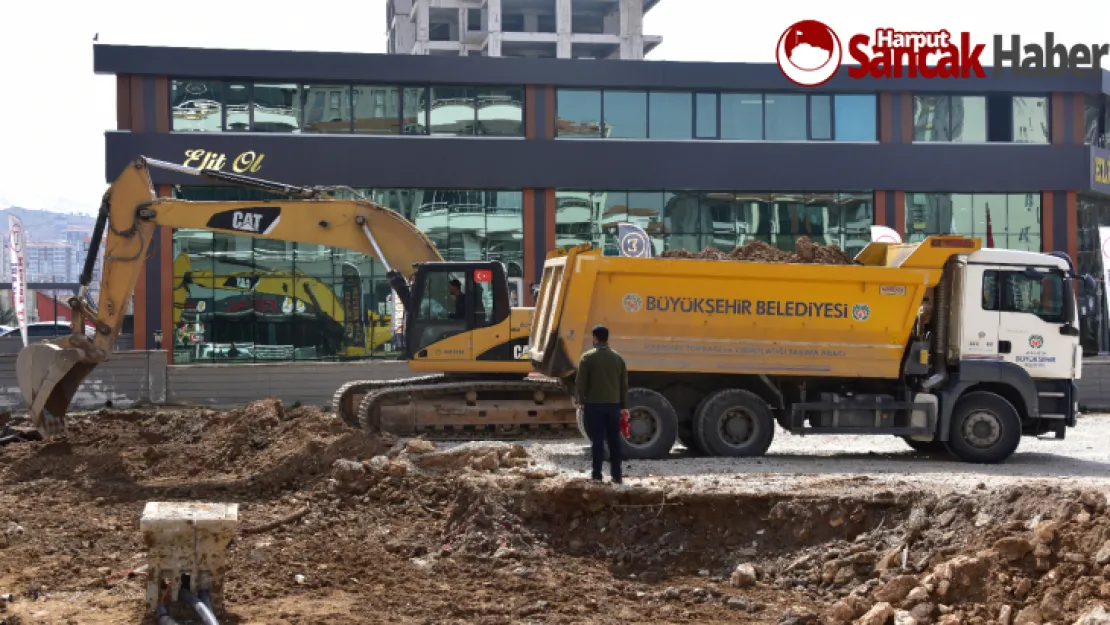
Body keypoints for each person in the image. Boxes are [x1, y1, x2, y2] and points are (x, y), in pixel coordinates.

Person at [575, 324, 629, 485]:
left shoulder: (587, 357)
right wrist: (624, 405)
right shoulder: (618, 358)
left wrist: (581, 401)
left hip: (593, 405)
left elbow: (580, 383)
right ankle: (617, 475)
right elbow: (624, 384)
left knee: (597, 440)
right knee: (614, 440)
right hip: (613, 405)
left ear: (595, 338)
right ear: (607, 338)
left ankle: (597, 474)